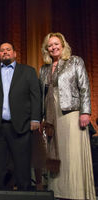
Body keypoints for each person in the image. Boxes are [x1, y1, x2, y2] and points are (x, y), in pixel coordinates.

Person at [39, 32, 96, 200]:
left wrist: (85, 111)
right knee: (55, 153)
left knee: (72, 153)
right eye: (50, 45)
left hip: (71, 112)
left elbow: (84, 86)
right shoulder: (44, 69)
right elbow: (42, 94)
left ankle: (76, 192)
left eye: (56, 44)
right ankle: (58, 191)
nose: (53, 47)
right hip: (51, 115)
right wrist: (42, 117)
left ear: (63, 46)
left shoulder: (75, 61)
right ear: (46, 49)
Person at [0, 42, 41, 190]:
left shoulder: (28, 71)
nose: (5, 52)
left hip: (21, 126)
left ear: (15, 53)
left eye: (8, 50)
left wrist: (35, 118)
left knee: (22, 168)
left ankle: (24, 195)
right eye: (1, 50)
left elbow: (36, 96)